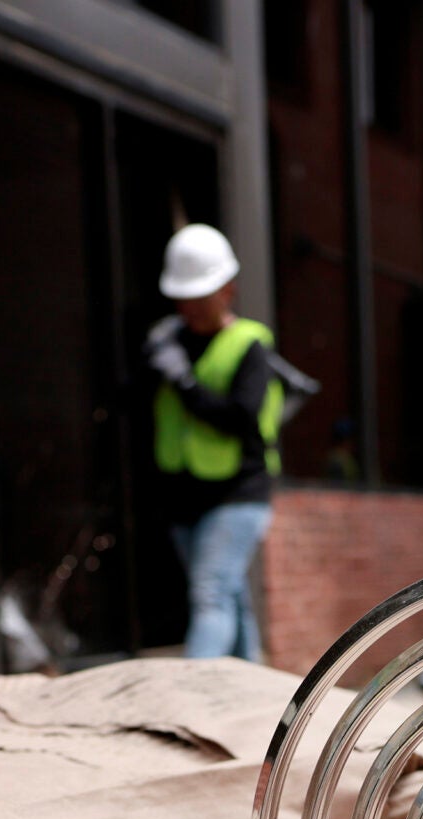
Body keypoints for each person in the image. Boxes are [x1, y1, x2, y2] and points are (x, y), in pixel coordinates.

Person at [146, 224, 281, 661]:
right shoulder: (170, 343)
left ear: (228, 291)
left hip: (240, 491)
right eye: (183, 299)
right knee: (229, 594)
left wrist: (184, 382)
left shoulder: (249, 346)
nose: (191, 308)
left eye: (199, 298)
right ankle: (254, 691)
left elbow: (239, 419)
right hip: (185, 495)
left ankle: (193, 702)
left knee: (210, 594)